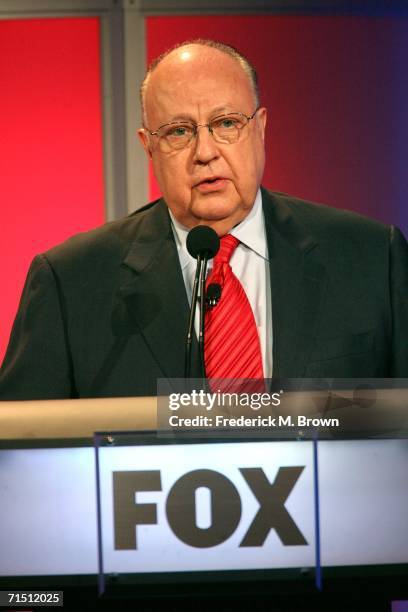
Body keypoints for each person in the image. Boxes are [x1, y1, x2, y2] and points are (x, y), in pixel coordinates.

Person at [1, 39, 407, 400]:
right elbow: (21, 448)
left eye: (227, 123)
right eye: (179, 132)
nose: (205, 152)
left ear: (260, 129)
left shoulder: (372, 257)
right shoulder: (71, 280)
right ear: (149, 147)